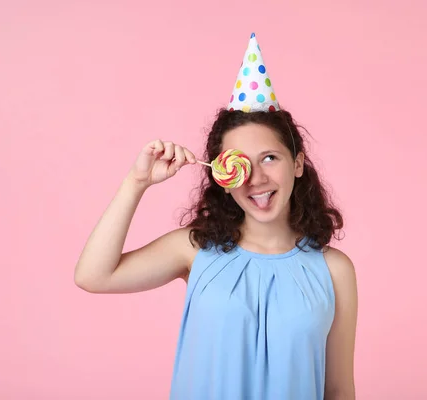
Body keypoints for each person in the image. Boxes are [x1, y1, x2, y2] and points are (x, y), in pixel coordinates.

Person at [74, 33, 358, 400]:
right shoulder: (195, 250)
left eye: (270, 158)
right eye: (240, 164)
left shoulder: (334, 270)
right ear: (223, 177)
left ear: (298, 163)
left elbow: (338, 389)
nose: (256, 179)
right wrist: (136, 182)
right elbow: (93, 276)